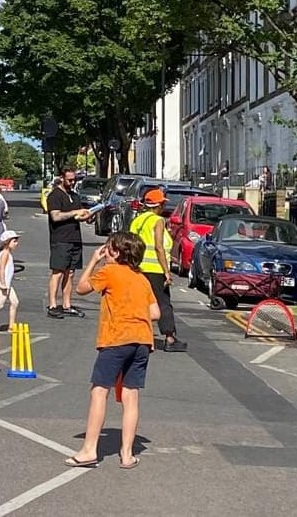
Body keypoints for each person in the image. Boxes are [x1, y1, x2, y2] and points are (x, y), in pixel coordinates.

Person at [66, 233, 159, 469]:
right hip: (142, 340)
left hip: (117, 338)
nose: (105, 252)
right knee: (131, 396)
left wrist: (93, 261)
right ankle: (127, 454)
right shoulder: (142, 279)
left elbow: (81, 288)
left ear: (117, 253)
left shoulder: (109, 271)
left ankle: (89, 449)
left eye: (108, 249)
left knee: (99, 391)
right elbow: (156, 312)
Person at [128, 188, 185, 351]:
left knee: (140, 303)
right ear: (158, 205)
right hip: (155, 270)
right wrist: (167, 271)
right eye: (162, 204)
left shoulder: (137, 221)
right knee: (163, 303)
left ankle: (137, 334)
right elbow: (159, 246)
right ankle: (170, 338)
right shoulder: (158, 221)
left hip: (138, 269)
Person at [47, 168, 90, 319]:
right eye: (69, 180)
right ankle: (52, 305)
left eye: (74, 180)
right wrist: (74, 212)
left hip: (75, 238)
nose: (72, 183)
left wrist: (87, 215)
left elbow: (78, 217)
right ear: (62, 178)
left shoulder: (75, 196)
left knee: (70, 273)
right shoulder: (54, 196)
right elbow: (56, 217)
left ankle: (66, 304)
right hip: (60, 239)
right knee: (58, 272)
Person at [0, 230, 21, 329]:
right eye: (14, 241)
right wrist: (2, 283)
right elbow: (1, 268)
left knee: (15, 302)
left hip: (8, 283)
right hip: (4, 284)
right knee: (0, 304)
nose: (16, 243)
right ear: (7, 242)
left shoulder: (7, 253)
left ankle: (11, 326)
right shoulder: (5, 253)